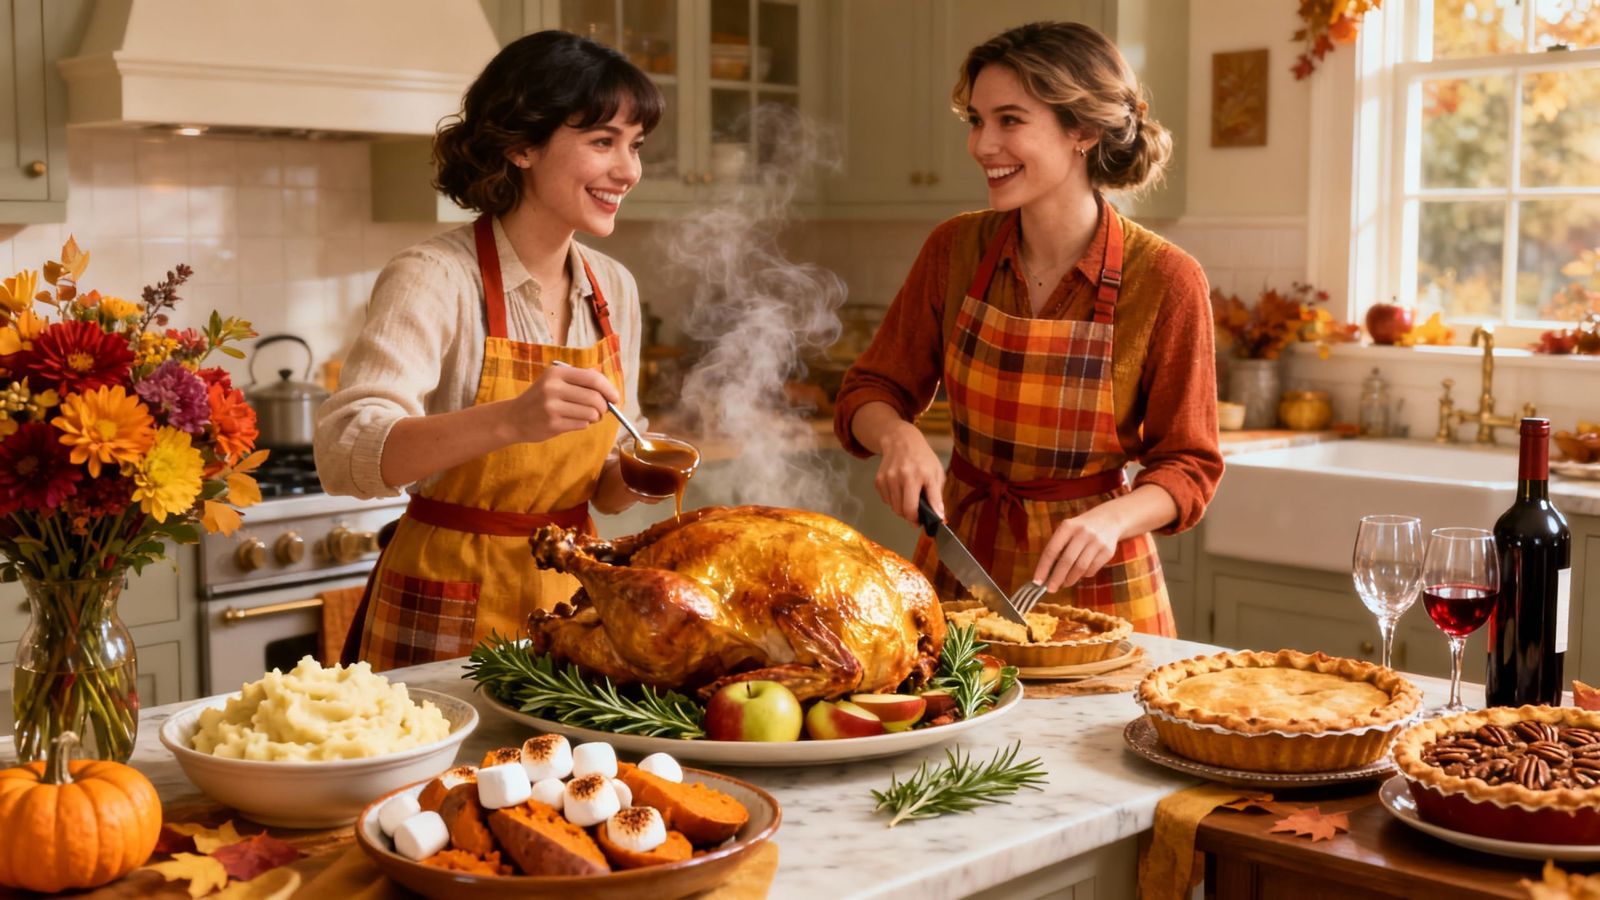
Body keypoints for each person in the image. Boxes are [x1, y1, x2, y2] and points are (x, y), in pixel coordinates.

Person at [833, 21, 1222, 636]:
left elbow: (1189, 466)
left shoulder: (1166, 279)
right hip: (961, 572)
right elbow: (868, 390)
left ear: (1083, 131)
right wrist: (897, 435)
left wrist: (1113, 519)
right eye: (976, 120)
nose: (982, 145)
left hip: (1098, 585)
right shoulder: (954, 249)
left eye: (1009, 120)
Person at [315, 30, 664, 669]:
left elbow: (607, 491)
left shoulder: (612, 288)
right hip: (445, 596)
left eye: (634, 145)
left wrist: (643, 471)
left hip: (572, 600)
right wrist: (512, 419)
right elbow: (344, 452)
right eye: (602, 142)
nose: (629, 171)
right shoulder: (434, 276)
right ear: (522, 146)